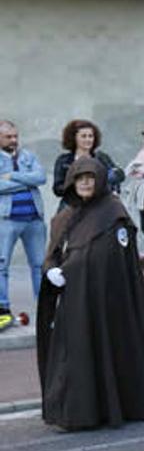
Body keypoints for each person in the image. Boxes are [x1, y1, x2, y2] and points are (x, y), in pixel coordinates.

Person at [37, 157, 144, 430]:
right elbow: (52, 254)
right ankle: (77, 411)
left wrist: (74, 269)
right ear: (71, 182)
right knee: (75, 353)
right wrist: (51, 270)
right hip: (74, 302)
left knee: (108, 350)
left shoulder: (113, 212)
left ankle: (112, 407)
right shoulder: (63, 218)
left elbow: (112, 258)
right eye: (80, 179)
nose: (85, 183)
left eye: (91, 178)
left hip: (107, 300)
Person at [0, 119, 46, 332]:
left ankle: (45, 309)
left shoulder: (28, 156)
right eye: (9, 137)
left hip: (34, 219)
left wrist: (13, 176)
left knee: (39, 266)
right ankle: (3, 311)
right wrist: (26, 181)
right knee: (1, 267)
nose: (14, 140)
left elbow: (41, 177)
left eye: (16, 136)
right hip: (7, 220)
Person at [52, 120, 124, 207]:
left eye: (90, 136)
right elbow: (57, 189)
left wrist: (105, 179)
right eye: (83, 136)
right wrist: (78, 186)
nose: (88, 139)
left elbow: (119, 174)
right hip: (72, 207)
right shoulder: (63, 160)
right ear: (74, 138)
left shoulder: (101, 157)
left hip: (100, 206)